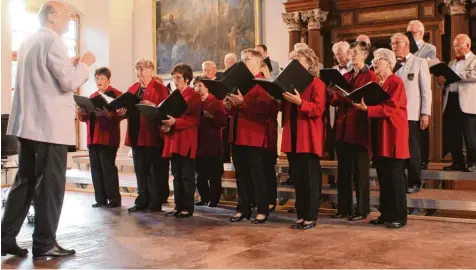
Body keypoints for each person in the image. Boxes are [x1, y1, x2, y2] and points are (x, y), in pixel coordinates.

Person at [2, 1, 95, 258]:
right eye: (65, 15)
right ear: (52, 17)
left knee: (25, 182)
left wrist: (70, 63)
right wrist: (85, 64)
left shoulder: (30, 40)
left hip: (28, 124)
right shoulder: (53, 41)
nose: (68, 19)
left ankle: (5, 238)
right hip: (48, 126)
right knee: (51, 186)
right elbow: (68, 81)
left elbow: (43, 75)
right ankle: (44, 243)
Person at [354, 48, 409, 229]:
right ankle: (386, 214)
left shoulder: (396, 82)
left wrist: (368, 110)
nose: (374, 62)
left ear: (389, 62)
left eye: (378, 59)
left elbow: (392, 108)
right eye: (374, 59)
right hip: (380, 134)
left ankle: (400, 216)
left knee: (395, 177)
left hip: (393, 134)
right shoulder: (378, 83)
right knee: (383, 177)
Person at [331, 41, 378, 221]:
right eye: (350, 52)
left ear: (365, 55)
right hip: (343, 128)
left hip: (360, 129)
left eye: (355, 52)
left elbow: (372, 100)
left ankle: (362, 209)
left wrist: (353, 98)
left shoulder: (371, 76)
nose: (351, 55)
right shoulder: (347, 75)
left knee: (360, 173)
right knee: (343, 172)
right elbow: (335, 100)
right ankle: (344, 208)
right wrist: (335, 94)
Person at [225, 49, 272, 224]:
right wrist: (229, 106)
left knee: (257, 174)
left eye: (247, 59)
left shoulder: (263, 82)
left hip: (254, 134)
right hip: (237, 134)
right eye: (242, 58)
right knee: (241, 175)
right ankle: (243, 209)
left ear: (259, 63)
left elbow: (266, 110)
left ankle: (262, 210)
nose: (243, 61)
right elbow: (232, 111)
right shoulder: (239, 82)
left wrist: (242, 103)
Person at [281, 48, 326, 230]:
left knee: (310, 180)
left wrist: (300, 103)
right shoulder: (290, 83)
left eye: (297, 60)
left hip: (308, 137)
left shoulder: (316, 83)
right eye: (292, 59)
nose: (294, 63)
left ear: (309, 63)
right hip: (292, 136)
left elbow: (318, 110)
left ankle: (310, 215)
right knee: (298, 179)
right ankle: (301, 215)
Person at [119, 59, 170, 213]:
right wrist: (123, 113)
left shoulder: (160, 88)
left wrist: (153, 107)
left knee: (153, 171)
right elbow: (128, 108)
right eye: (138, 69)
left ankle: (155, 202)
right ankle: (142, 201)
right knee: (140, 170)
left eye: (143, 69)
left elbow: (166, 110)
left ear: (151, 70)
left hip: (152, 135)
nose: (139, 72)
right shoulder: (133, 88)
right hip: (135, 134)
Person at [391, 33, 432, 193]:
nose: (394, 46)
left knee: (413, 149)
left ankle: (415, 182)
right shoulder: (391, 64)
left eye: (397, 43)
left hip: (412, 114)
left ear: (407, 44)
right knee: (397, 149)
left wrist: (425, 113)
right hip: (394, 115)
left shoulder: (419, 62)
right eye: (392, 43)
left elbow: (426, 90)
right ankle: (400, 181)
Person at [77, 67, 123, 209]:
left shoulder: (116, 94)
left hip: (108, 138)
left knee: (108, 169)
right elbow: (84, 118)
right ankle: (100, 199)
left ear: (108, 79)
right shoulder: (92, 96)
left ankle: (114, 199)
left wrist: (108, 114)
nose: (99, 81)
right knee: (95, 169)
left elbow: (122, 115)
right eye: (97, 78)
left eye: (102, 78)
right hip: (93, 138)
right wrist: (81, 112)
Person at [162, 64, 202, 218]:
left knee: (187, 175)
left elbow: (194, 119)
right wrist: (166, 126)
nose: (175, 81)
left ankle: (187, 207)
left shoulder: (193, 95)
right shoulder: (173, 96)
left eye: (178, 78)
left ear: (186, 78)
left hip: (186, 139)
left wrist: (175, 122)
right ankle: (178, 206)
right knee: (176, 175)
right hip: (174, 139)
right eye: (173, 78)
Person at [440, 34, 476, 172]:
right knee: (453, 133)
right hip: (451, 99)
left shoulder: (474, 60)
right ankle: (458, 162)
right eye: (455, 46)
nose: (456, 49)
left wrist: (455, 76)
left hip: (467, 102)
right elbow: (447, 82)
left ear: (468, 45)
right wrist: (441, 82)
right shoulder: (451, 63)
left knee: (470, 134)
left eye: (459, 46)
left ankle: (473, 162)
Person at [407, 20, 437, 170]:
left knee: (422, 128)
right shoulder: (405, 48)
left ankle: (424, 160)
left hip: (421, 86)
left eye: (411, 33)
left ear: (420, 32)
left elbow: (430, 65)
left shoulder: (429, 48)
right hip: (409, 91)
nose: (409, 35)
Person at [194, 76, 227, 207]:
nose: (197, 89)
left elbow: (223, 122)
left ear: (206, 87)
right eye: (195, 86)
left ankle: (214, 199)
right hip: (198, 143)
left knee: (213, 175)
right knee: (200, 174)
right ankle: (204, 197)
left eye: (200, 86)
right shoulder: (194, 102)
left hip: (212, 143)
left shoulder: (215, 102)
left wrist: (211, 116)